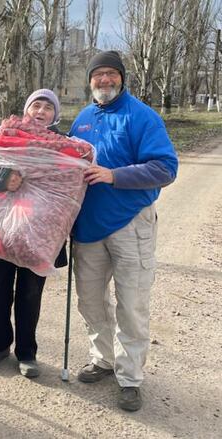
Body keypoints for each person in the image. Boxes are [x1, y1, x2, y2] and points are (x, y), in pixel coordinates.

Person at [69, 51, 178, 411]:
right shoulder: (83, 119)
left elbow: (165, 168)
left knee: (131, 303)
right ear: (90, 81)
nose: (104, 81)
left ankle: (129, 377)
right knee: (90, 301)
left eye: (110, 74)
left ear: (122, 78)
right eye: (97, 75)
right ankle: (102, 359)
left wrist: (114, 175)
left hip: (132, 224)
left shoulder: (142, 116)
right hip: (88, 228)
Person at [0, 89, 67, 378]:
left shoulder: (64, 146)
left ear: (55, 115)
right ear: (26, 109)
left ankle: (27, 352)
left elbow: (72, 184)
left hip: (41, 234)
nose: (41, 111)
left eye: (48, 107)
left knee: (30, 293)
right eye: (36, 105)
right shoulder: (4, 136)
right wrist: (2, 178)